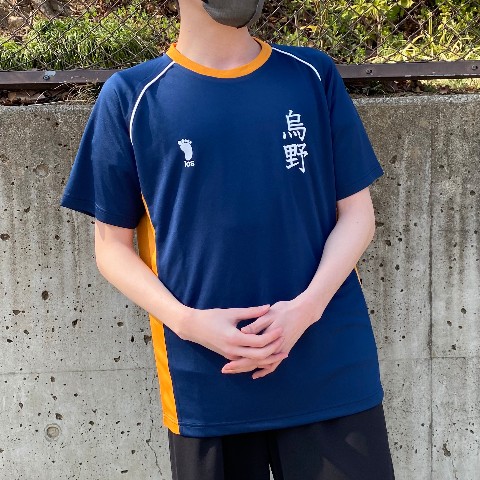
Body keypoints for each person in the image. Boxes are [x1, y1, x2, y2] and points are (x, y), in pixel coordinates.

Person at [60, 0, 396, 478]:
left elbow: (358, 215)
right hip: (207, 380)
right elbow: (110, 247)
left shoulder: (310, 74)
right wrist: (189, 324)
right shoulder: (132, 96)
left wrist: (306, 310)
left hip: (329, 364)